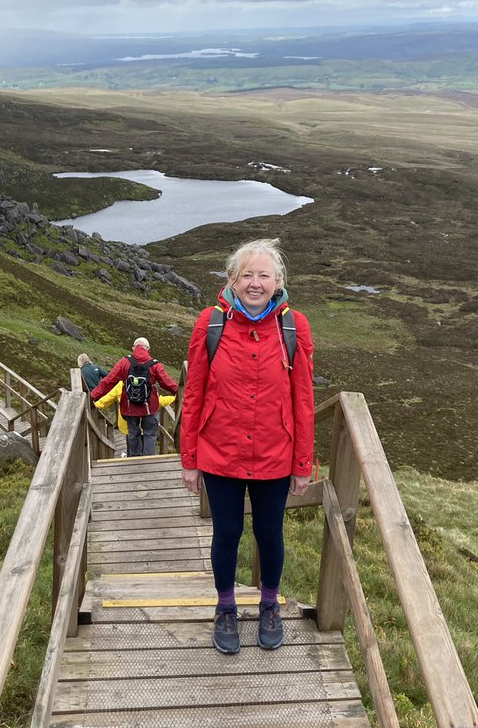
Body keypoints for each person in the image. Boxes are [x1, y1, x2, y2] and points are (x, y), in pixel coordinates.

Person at [180, 238, 314, 655]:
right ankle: (225, 609)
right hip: (219, 452)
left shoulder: (294, 326)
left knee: (269, 532)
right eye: (246, 275)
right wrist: (189, 459)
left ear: (278, 282)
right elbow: (194, 393)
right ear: (231, 280)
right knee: (227, 532)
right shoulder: (210, 323)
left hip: (275, 453)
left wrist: (303, 462)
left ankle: (269, 604)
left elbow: (303, 398)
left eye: (264, 275)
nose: (255, 283)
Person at [90, 337, 178, 457]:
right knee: (150, 434)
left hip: (129, 406)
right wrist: (179, 392)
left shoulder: (124, 362)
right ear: (148, 349)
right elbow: (167, 383)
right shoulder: (155, 364)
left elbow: (108, 381)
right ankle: (150, 460)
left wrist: (92, 396)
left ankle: (135, 459)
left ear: (133, 348)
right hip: (149, 407)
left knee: (133, 433)